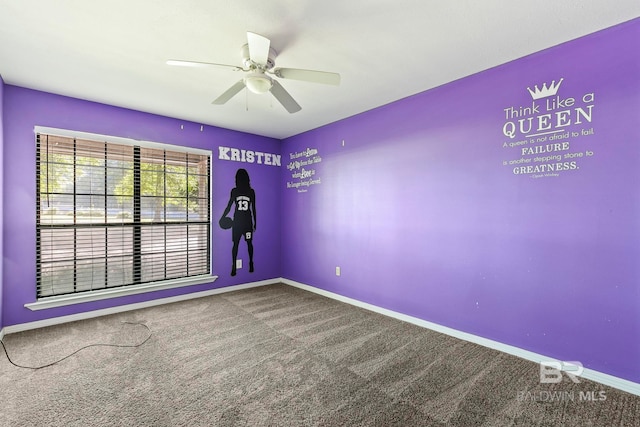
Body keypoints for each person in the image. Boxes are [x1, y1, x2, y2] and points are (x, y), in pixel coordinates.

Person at [221, 168, 256, 276]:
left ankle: (234, 267)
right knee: (248, 243)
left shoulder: (235, 191)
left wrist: (222, 217)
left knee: (236, 244)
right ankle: (250, 263)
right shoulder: (250, 191)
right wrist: (255, 223)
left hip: (238, 222)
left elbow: (229, 206)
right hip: (246, 222)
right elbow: (253, 209)